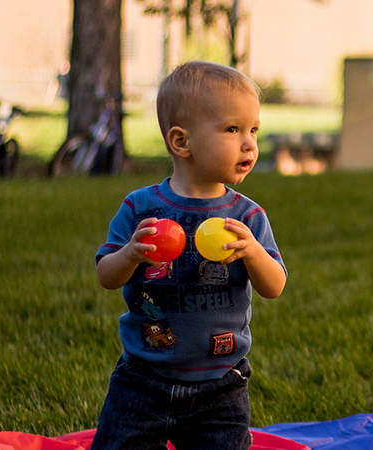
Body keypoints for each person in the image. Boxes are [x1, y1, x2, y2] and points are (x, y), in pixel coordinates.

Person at [90, 60, 287, 450]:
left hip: (220, 385)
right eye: (232, 129)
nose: (249, 143)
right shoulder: (140, 209)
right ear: (181, 142)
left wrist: (252, 252)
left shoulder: (246, 217)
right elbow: (106, 275)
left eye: (253, 130)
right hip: (142, 379)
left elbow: (275, 285)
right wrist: (131, 253)